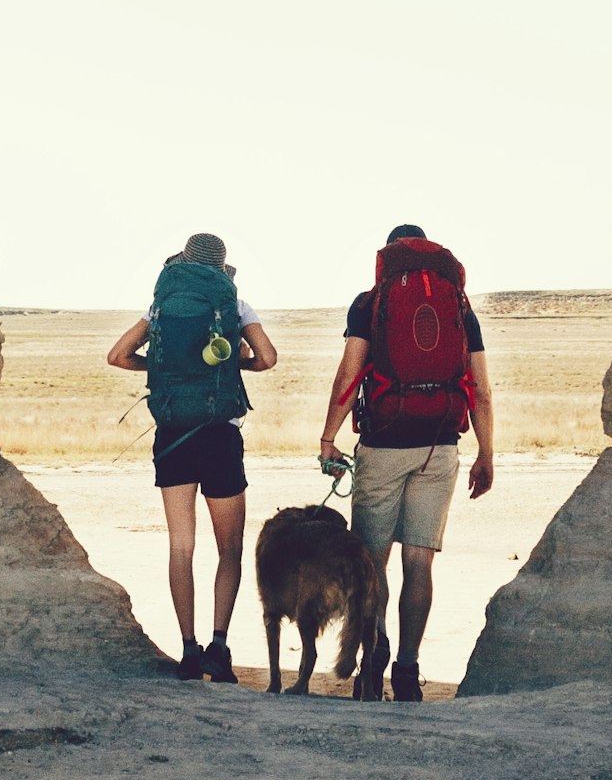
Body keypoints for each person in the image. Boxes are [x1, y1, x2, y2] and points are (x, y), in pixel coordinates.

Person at [317, 222, 494, 702]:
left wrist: (329, 437)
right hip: (440, 444)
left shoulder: (370, 302)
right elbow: (478, 387)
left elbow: (349, 375)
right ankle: (409, 670)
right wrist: (487, 452)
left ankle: (373, 663)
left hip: (383, 445)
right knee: (420, 562)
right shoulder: (458, 305)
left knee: (372, 562)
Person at [107, 231, 278, 682]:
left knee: (181, 547)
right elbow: (267, 359)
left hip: (172, 435)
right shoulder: (236, 307)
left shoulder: (159, 308)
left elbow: (118, 356)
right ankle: (219, 648)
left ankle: (187, 649)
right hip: (219, 436)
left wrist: (161, 370)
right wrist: (229, 364)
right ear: (222, 272)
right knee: (230, 549)